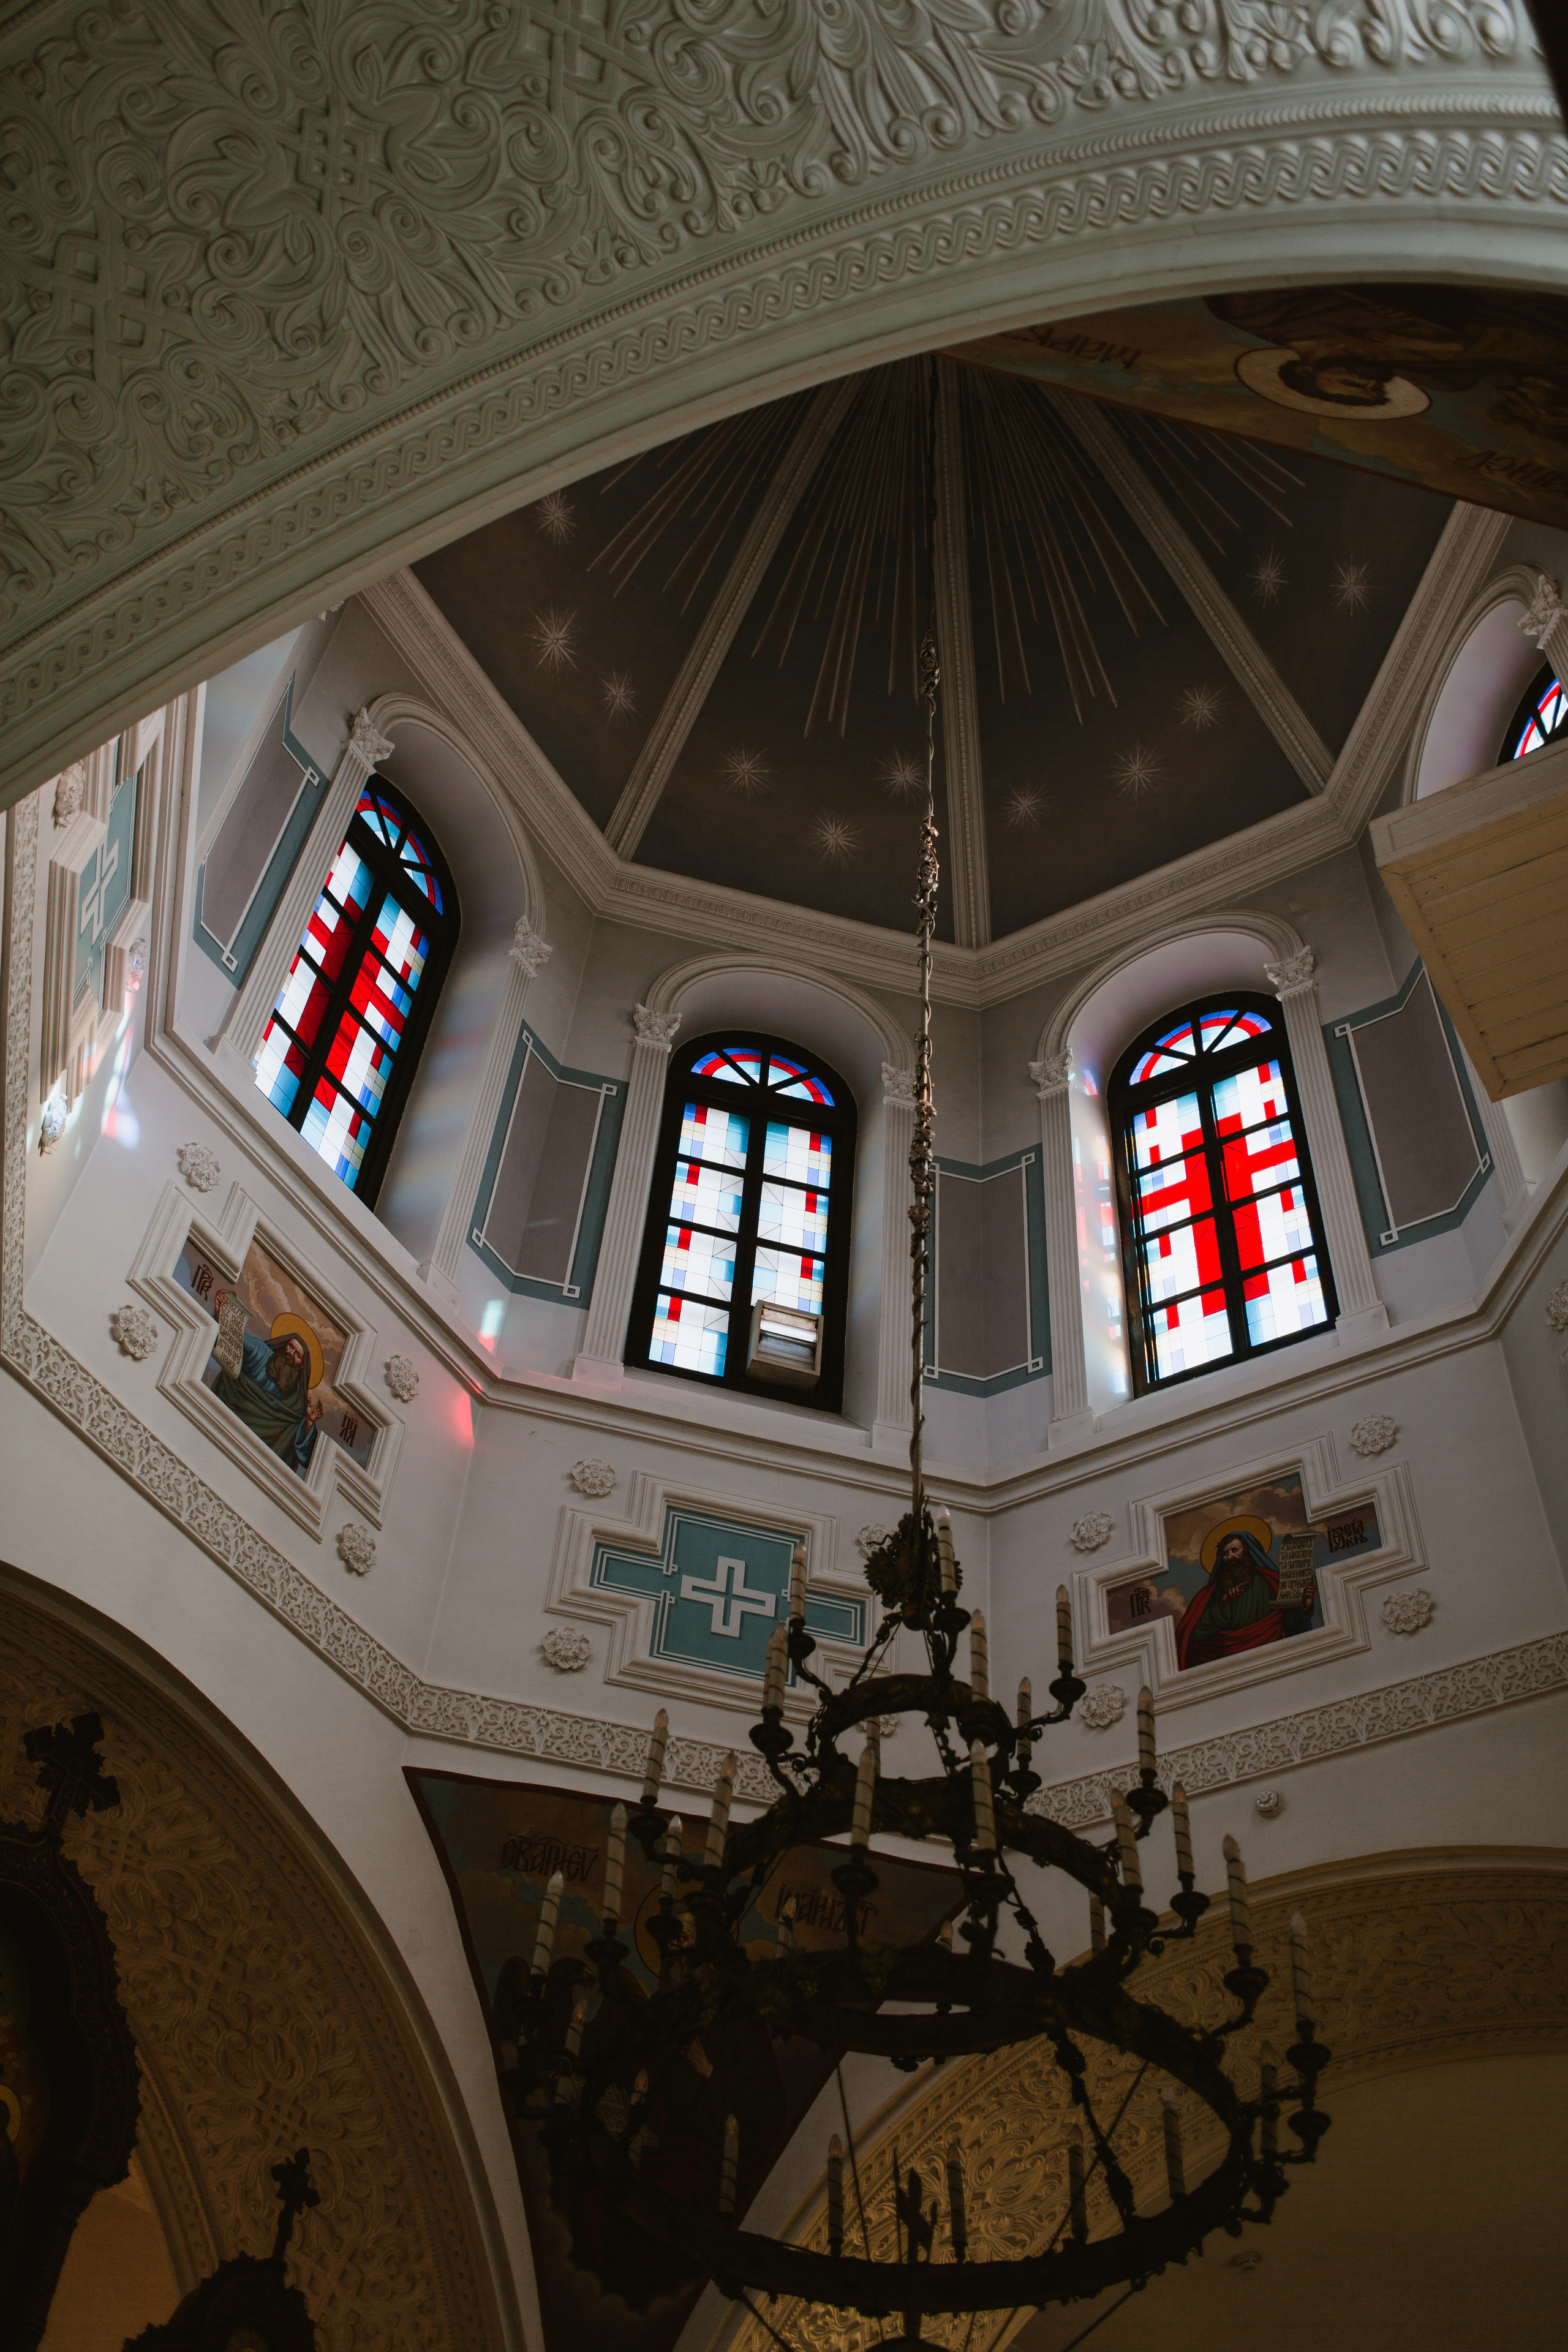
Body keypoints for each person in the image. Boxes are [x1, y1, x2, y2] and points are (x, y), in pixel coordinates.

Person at [1174, 1520, 1312, 1670]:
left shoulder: (1269, 1582)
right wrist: (1222, 1604)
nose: (1230, 1557)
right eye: (1225, 1554)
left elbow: (1288, 1622)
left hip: (1273, 1656)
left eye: (1234, 1550)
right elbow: (1196, 1636)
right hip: (1227, 1666)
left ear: (1246, 1551)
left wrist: (1305, 1606)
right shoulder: (1210, 1595)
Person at [209, 1299, 323, 1474]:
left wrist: (308, 1421)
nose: (291, 1354)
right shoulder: (261, 1352)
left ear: (302, 1365)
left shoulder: (298, 1403)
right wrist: (221, 1313)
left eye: (298, 1354)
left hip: (256, 1462)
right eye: (291, 1346)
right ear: (284, 1344)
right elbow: (236, 1338)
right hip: (219, 1422)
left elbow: (304, 1454)